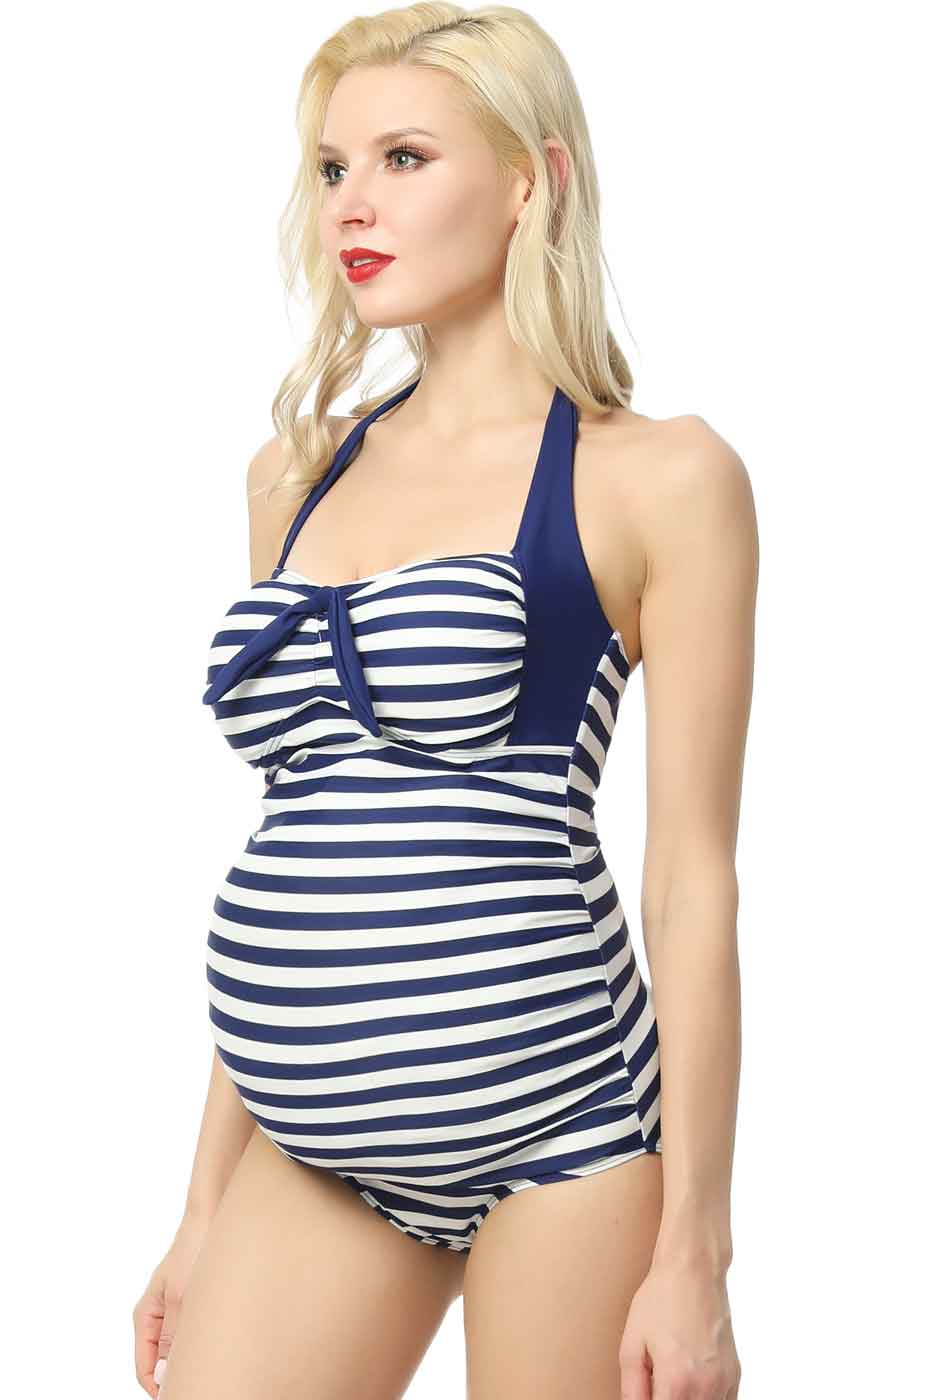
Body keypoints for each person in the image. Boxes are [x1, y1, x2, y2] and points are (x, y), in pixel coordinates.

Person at [134, 5, 755, 1397]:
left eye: (404, 158)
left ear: (533, 181)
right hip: (312, 1150)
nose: (351, 205)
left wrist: (696, 1253)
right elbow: (307, 834)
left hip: (561, 1131)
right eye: (332, 167)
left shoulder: (659, 476)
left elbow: (691, 878)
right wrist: (200, 1210)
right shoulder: (294, 474)